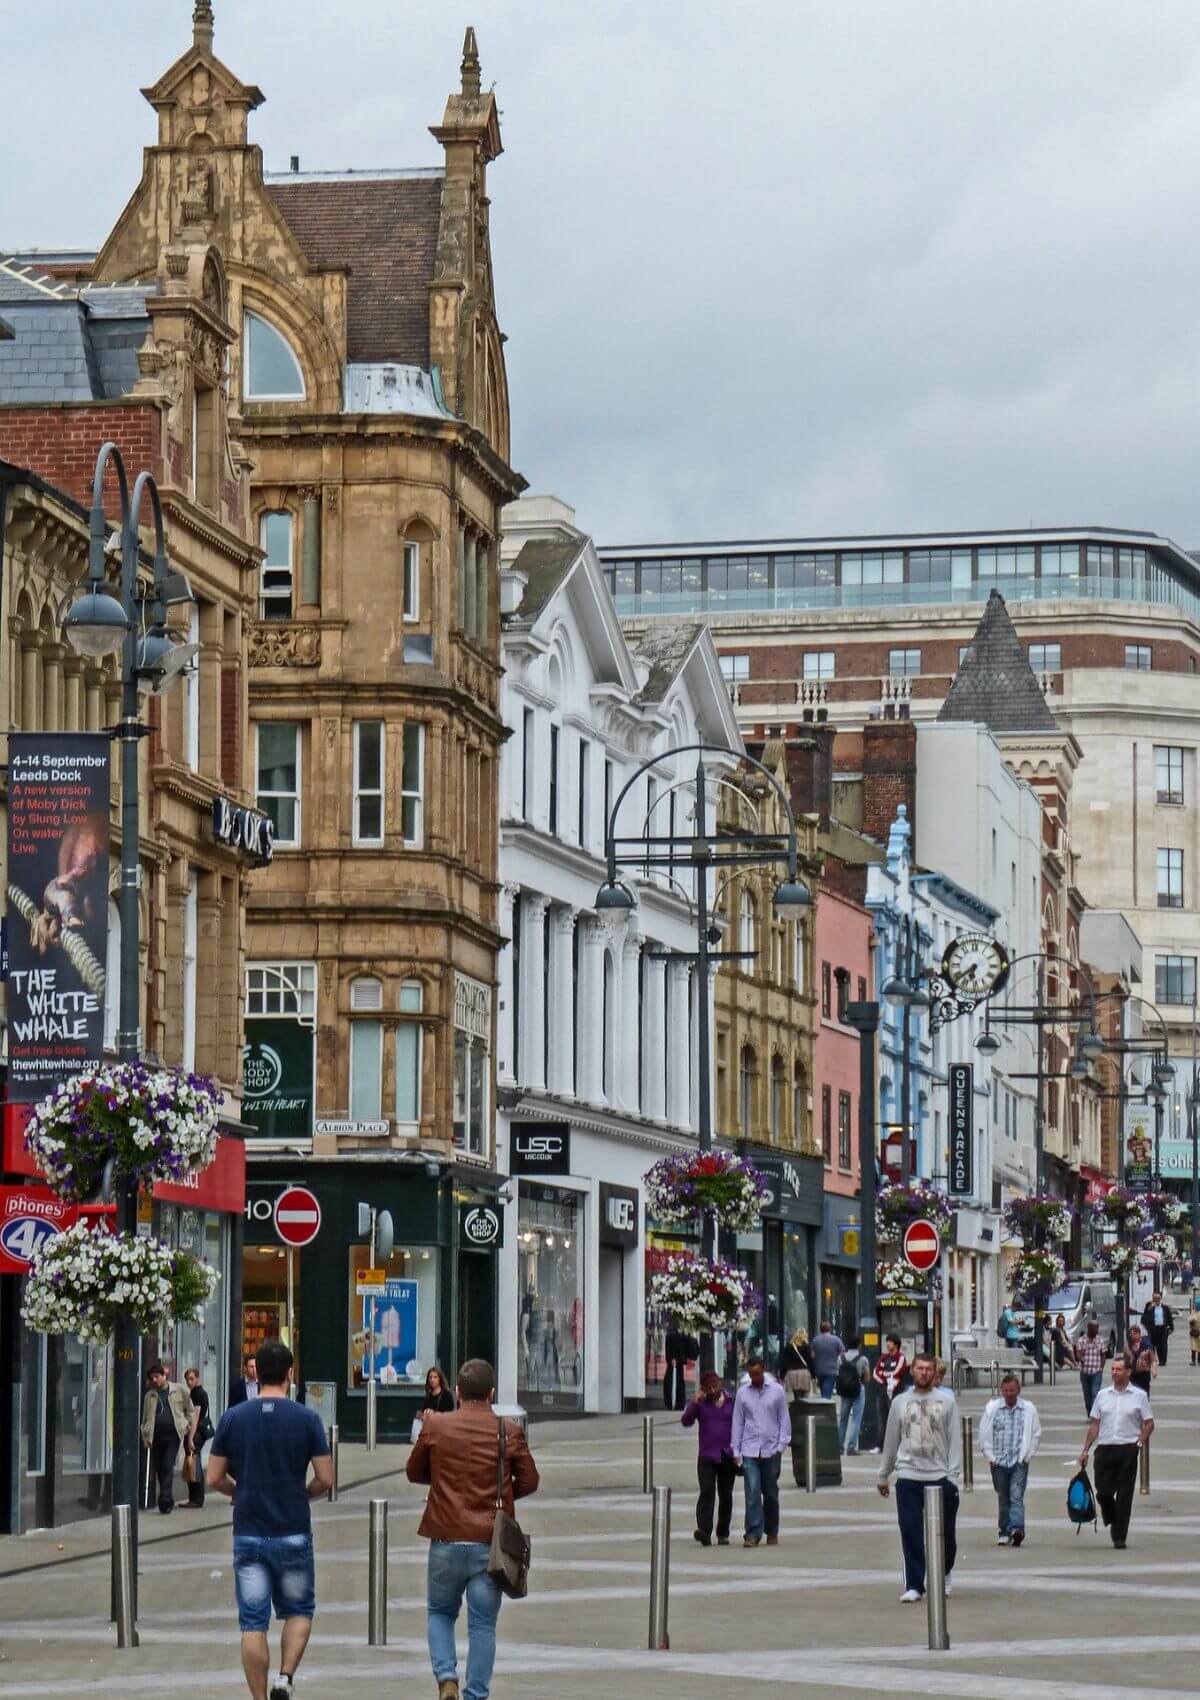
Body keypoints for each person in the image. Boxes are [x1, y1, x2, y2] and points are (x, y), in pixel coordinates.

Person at [207, 1338, 333, 1700]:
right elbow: (326, 1477)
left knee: (252, 1622)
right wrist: (302, 1493)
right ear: (290, 1375)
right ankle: (285, 1677)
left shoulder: (233, 1418)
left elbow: (213, 1476)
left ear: (256, 1373)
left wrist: (239, 1491)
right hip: (293, 1531)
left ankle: (260, 1698)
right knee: (298, 1611)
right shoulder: (307, 1419)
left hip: (248, 1532)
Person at [406, 1357, 539, 1700]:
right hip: (487, 1542)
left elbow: (414, 1472)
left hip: (446, 1538)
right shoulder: (508, 1431)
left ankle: (446, 1677)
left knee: (439, 1612)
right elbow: (529, 1480)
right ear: (492, 1394)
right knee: (482, 1625)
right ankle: (475, 1694)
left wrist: (441, 1485)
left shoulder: (436, 1427)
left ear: (459, 1392)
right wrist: (502, 1495)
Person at [876, 1351, 961, 1603]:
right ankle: (914, 1583)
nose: (924, 1373)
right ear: (912, 1370)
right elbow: (891, 1439)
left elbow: (955, 1439)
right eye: (920, 1368)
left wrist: (953, 1476)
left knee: (945, 1534)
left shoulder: (947, 1402)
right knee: (910, 1529)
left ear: (935, 1373)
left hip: (940, 1475)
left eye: (928, 1369)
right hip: (908, 1474)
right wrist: (884, 1474)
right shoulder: (900, 1402)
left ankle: (944, 1572)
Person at [1078, 1352, 1154, 1550]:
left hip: (1128, 1448)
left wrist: (1140, 1442)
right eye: (1112, 1369)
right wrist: (1085, 1449)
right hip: (1105, 1448)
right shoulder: (1103, 1395)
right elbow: (1095, 1424)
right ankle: (1110, 1514)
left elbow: (1149, 1424)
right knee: (1103, 1491)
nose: (1114, 1372)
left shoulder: (1139, 1396)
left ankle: (1119, 1536)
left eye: (1118, 1369)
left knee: (1125, 1494)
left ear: (1128, 1372)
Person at [731, 1354, 791, 1547]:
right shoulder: (742, 1393)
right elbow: (738, 1422)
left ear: (763, 1370)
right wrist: (736, 1450)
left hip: (771, 1449)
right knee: (752, 1492)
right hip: (749, 1450)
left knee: (771, 1493)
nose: (755, 1378)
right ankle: (753, 1533)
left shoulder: (777, 1391)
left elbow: (784, 1419)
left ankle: (772, 1530)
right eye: (751, 1374)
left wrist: (781, 1445)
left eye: (757, 1374)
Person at [979, 1371, 1041, 1548]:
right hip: (998, 1461)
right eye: (1005, 1390)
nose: (1009, 1394)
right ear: (1001, 1390)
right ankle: (1004, 1530)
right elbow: (984, 1433)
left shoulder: (1028, 1409)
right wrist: (990, 1456)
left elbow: (1036, 1433)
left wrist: (1027, 1456)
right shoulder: (993, 1409)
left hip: (1018, 1461)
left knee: (1016, 1496)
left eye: (1012, 1390)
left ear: (1018, 1390)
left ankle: (1017, 1529)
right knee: (1003, 1496)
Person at [681, 1371, 736, 1547]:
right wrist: (693, 1403)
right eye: (708, 1387)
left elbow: (741, 1425)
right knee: (707, 1491)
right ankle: (704, 1531)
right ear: (703, 1388)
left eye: (715, 1385)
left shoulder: (732, 1401)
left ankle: (723, 1533)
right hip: (706, 1455)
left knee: (726, 1495)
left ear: (720, 1383)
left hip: (727, 1455)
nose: (712, 1390)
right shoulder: (701, 1404)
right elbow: (686, 1421)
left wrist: (739, 1452)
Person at [140, 1361, 192, 1515]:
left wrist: (187, 1424)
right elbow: (144, 1419)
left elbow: (190, 1409)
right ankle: (167, 1497)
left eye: (157, 1377)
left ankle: (164, 1499)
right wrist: (145, 1436)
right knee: (159, 1468)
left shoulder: (178, 1390)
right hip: (155, 1436)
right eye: (152, 1378)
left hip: (173, 1435)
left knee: (167, 1465)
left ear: (164, 1375)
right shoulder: (150, 1395)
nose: (154, 1380)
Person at [183, 1366, 213, 1509]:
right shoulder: (196, 1393)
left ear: (197, 1378)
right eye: (187, 1379)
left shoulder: (198, 1394)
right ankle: (194, 1498)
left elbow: (195, 1417)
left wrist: (190, 1438)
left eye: (191, 1379)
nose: (189, 1382)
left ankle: (196, 1498)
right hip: (197, 1433)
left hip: (195, 1434)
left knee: (194, 1465)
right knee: (193, 1464)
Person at [834, 1334, 869, 1455]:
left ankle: (839, 1447)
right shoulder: (863, 1359)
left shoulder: (840, 1358)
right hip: (858, 1390)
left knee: (843, 1419)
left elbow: (837, 1373)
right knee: (856, 1419)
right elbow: (867, 1377)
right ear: (859, 1345)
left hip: (844, 1390)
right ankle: (851, 1447)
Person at [1074, 1319, 1107, 1416]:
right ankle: (1089, 1411)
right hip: (1085, 1372)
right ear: (1089, 1328)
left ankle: (1094, 1414)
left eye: (1097, 1328)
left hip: (1096, 1371)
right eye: (1094, 1328)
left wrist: (1101, 1367)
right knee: (1087, 1395)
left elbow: (1103, 1354)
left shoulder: (1100, 1339)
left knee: (1095, 1393)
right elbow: (1078, 1353)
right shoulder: (1081, 1340)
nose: (1097, 1330)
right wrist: (1081, 1358)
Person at [663, 1328, 698, 1411]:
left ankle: (676, 1403)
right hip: (676, 1362)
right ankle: (675, 1403)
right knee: (674, 1381)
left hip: (677, 1362)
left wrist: (673, 1358)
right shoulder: (674, 1335)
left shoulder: (676, 1335)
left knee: (675, 1382)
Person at [811, 1320, 846, 1399]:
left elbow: (812, 1356)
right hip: (832, 1369)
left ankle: (824, 1403)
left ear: (820, 1329)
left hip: (819, 1369)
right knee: (827, 1391)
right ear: (830, 1329)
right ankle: (825, 1406)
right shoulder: (836, 1340)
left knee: (823, 1389)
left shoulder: (815, 1340)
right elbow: (842, 1353)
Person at [778, 1326, 815, 1397]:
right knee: (805, 1396)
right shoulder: (807, 1346)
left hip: (792, 1373)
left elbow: (784, 1362)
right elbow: (810, 1362)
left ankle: (797, 1404)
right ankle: (803, 1406)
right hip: (804, 1373)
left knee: (796, 1394)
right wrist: (813, 1375)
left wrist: (782, 1376)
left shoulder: (789, 1346)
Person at [1141, 1290, 1174, 1366]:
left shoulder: (1165, 1308)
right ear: (1152, 1298)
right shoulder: (1150, 1308)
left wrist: (1171, 1328)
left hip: (1163, 1329)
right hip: (1153, 1329)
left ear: (1160, 1298)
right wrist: (1147, 1310)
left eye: (1158, 1298)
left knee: (1162, 1345)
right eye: (1154, 1298)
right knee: (1151, 1346)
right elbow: (1144, 1319)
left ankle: (1163, 1361)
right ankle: (1152, 1360)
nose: (1156, 1300)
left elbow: (1169, 1318)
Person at [1126, 1325, 1158, 1396]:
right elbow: (1125, 1361)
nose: (1132, 1336)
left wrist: (1154, 1370)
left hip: (1144, 1373)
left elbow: (1153, 1359)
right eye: (1130, 1334)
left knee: (1144, 1393)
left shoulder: (1146, 1344)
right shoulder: (1128, 1346)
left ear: (1139, 1334)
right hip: (1132, 1374)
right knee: (1133, 1393)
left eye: (1134, 1333)